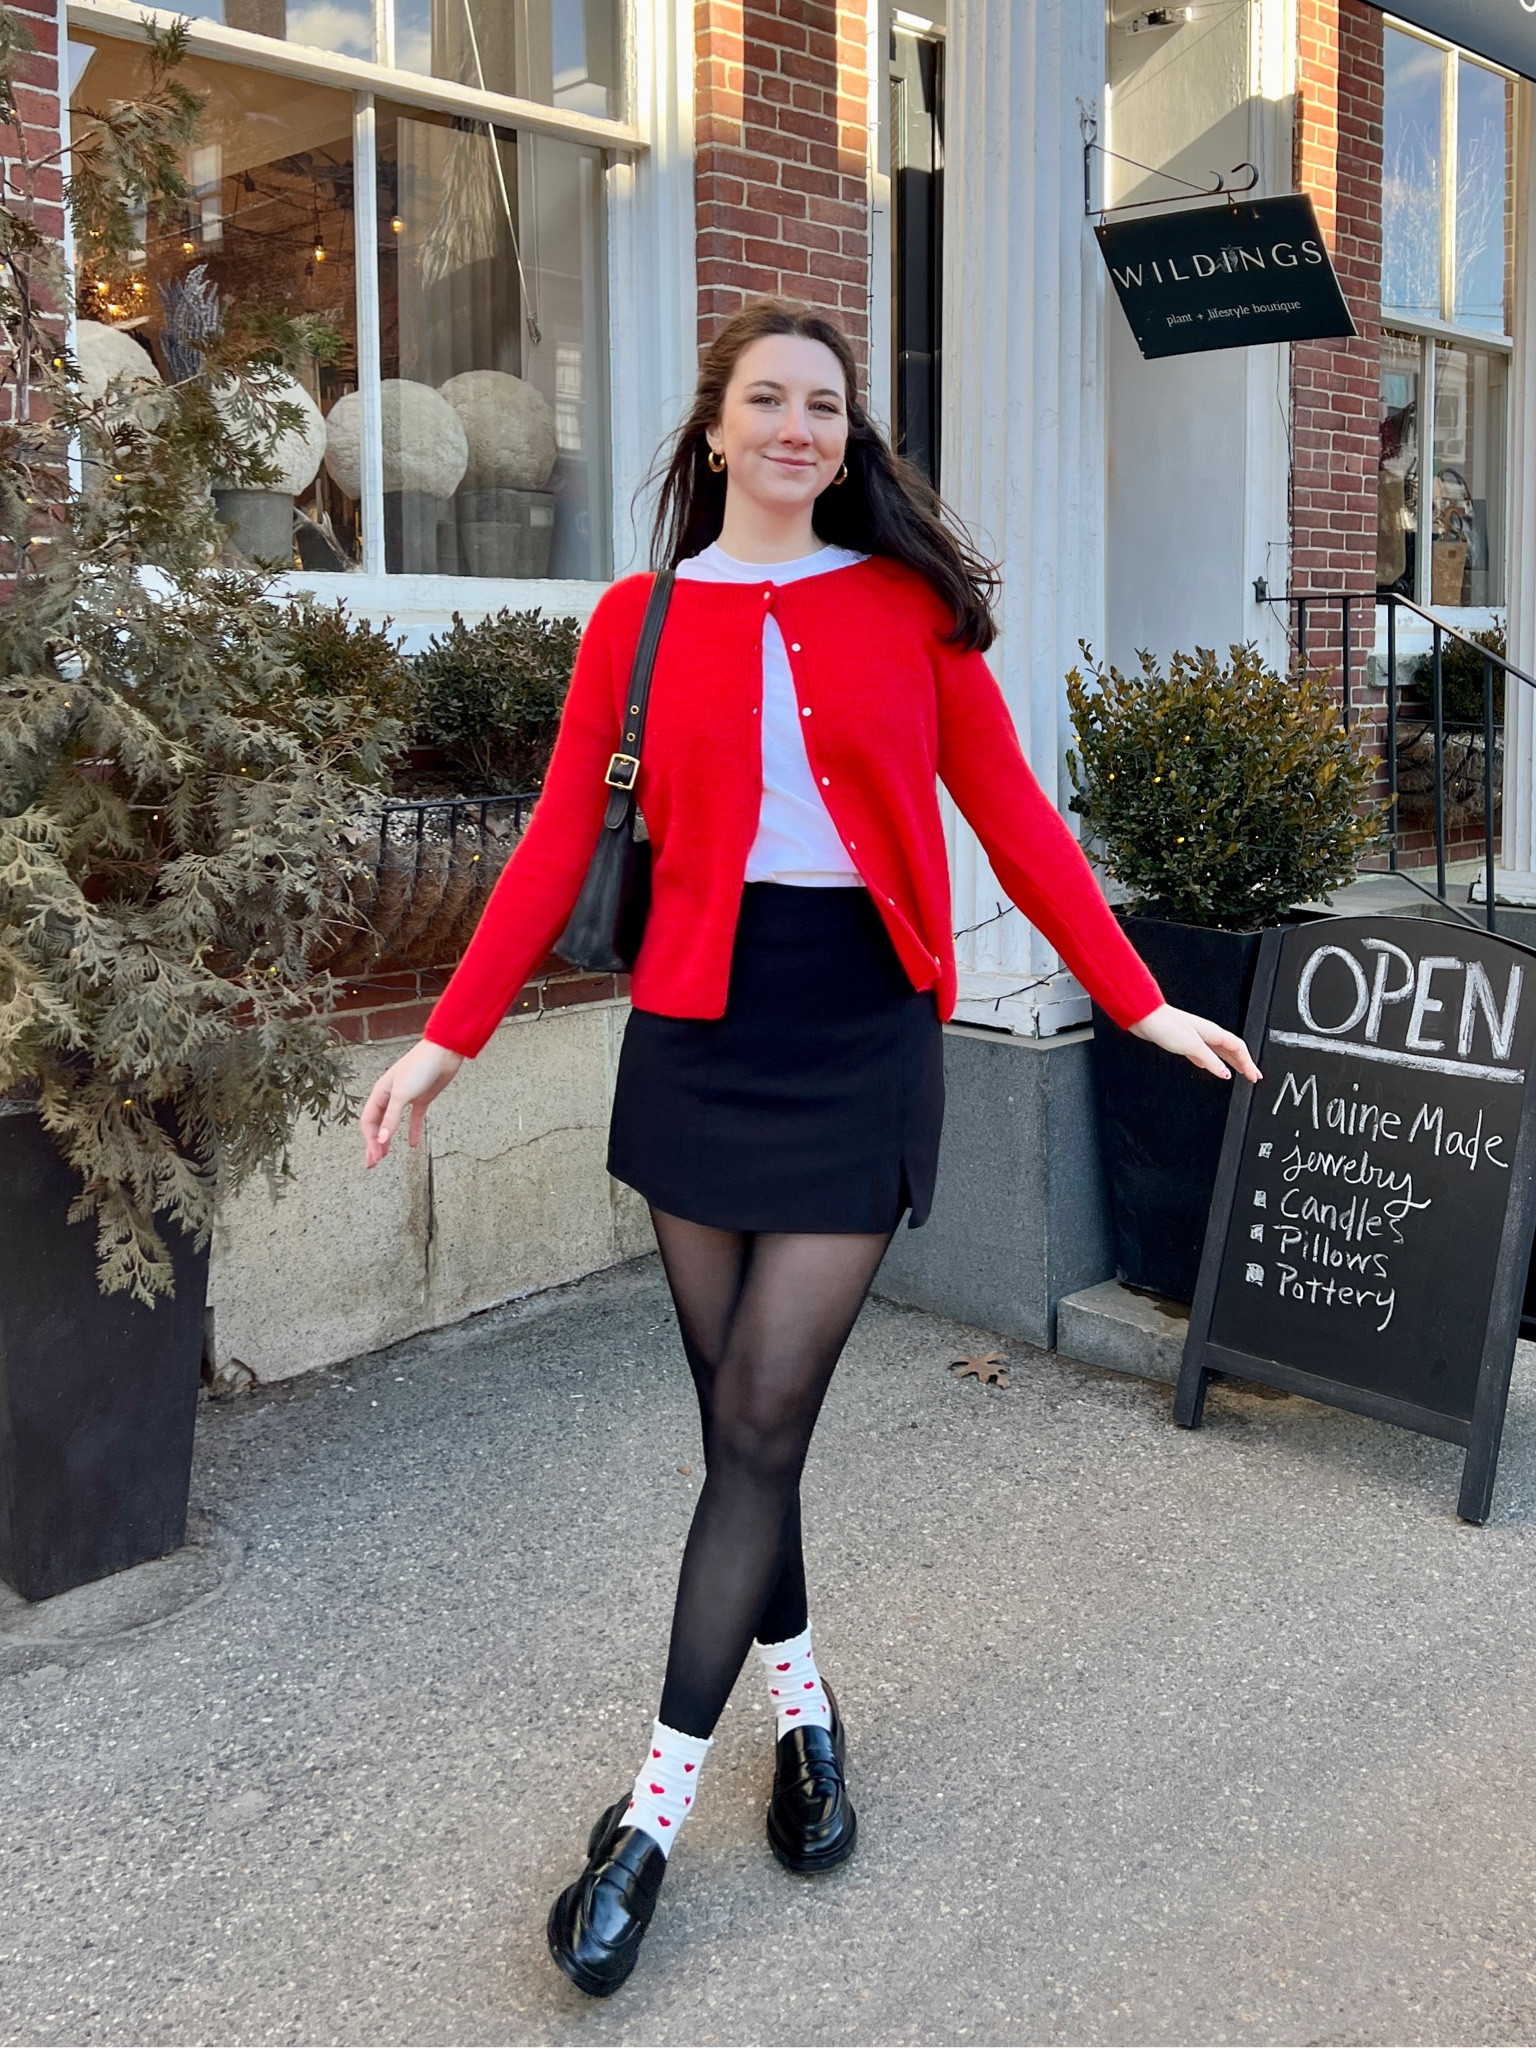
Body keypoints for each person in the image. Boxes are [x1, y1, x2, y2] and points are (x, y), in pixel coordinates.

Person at [359, 299, 1259, 1996]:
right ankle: (811, 1715)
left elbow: (1009, 814)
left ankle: (644, 1821)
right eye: (767, 401)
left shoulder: (909, 612)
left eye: (826, 406)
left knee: (761, 1417)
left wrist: (1133, 1001)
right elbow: (563, 837)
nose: (799, 427)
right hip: (700, 1038)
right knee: (741, 1442)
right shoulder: (633, 622)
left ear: (851, 437)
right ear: (714, 430)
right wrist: (444, 1040)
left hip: (858, 1039)